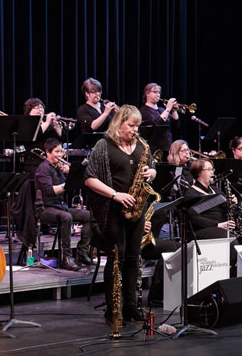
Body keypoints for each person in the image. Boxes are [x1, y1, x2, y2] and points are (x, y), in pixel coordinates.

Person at [84, 104, 157, 324]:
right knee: (117, 259)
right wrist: (116, 194)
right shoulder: (103, 145)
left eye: (138, 126)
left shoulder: (142, 146)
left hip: (137, 210)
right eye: (132, 125)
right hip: (112, 210)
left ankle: (131, 307)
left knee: (134, 259)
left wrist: (151, 173)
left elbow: (153, 169)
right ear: (120, 122)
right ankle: (112, 310)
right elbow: (89, 178)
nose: (135, 130)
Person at [35, 138, 92, 270]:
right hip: (45, 208)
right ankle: (66, 258)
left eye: (62, 151)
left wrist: (70, 174)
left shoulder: (59, 169)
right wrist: (68, 182)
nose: (60, 155)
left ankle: (82, 252)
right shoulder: (43, 168)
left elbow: (71, 187)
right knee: (66, 217)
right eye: (57, 152)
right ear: (48, 153)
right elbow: (50, 191)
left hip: (60, 206)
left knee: (89, 216)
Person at [185, 159, 241, 276]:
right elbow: (193, 217)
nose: (212, 173)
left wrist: (233, 203)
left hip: (220, 226)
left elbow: (227, 209)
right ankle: (229, 275)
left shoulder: (215, 190)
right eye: (209, 170)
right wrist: (217, 225)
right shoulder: (191, 192)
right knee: (232, 242)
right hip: (202, 229)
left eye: (212, 169)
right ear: (199, 172)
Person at [22, 98, 66, 179]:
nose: (40, 109)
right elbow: (34, 135)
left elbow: (63, 139)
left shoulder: (47, 123)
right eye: (36, 107)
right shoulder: (27, 123)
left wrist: (56, 127)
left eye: (41, 107)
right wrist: (47, 122)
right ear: (29, 112)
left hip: (52, 161)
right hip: (35, 162)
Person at [139, 83, 179, 153]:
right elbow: (157, 124)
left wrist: (174, 111)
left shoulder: (162, 110)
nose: (158, 95)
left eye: (159, 92)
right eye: (155, 92)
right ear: (147, 93)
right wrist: (168, 108)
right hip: (155, 149)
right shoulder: (143, 111)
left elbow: (175, 125)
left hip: (168, 147)